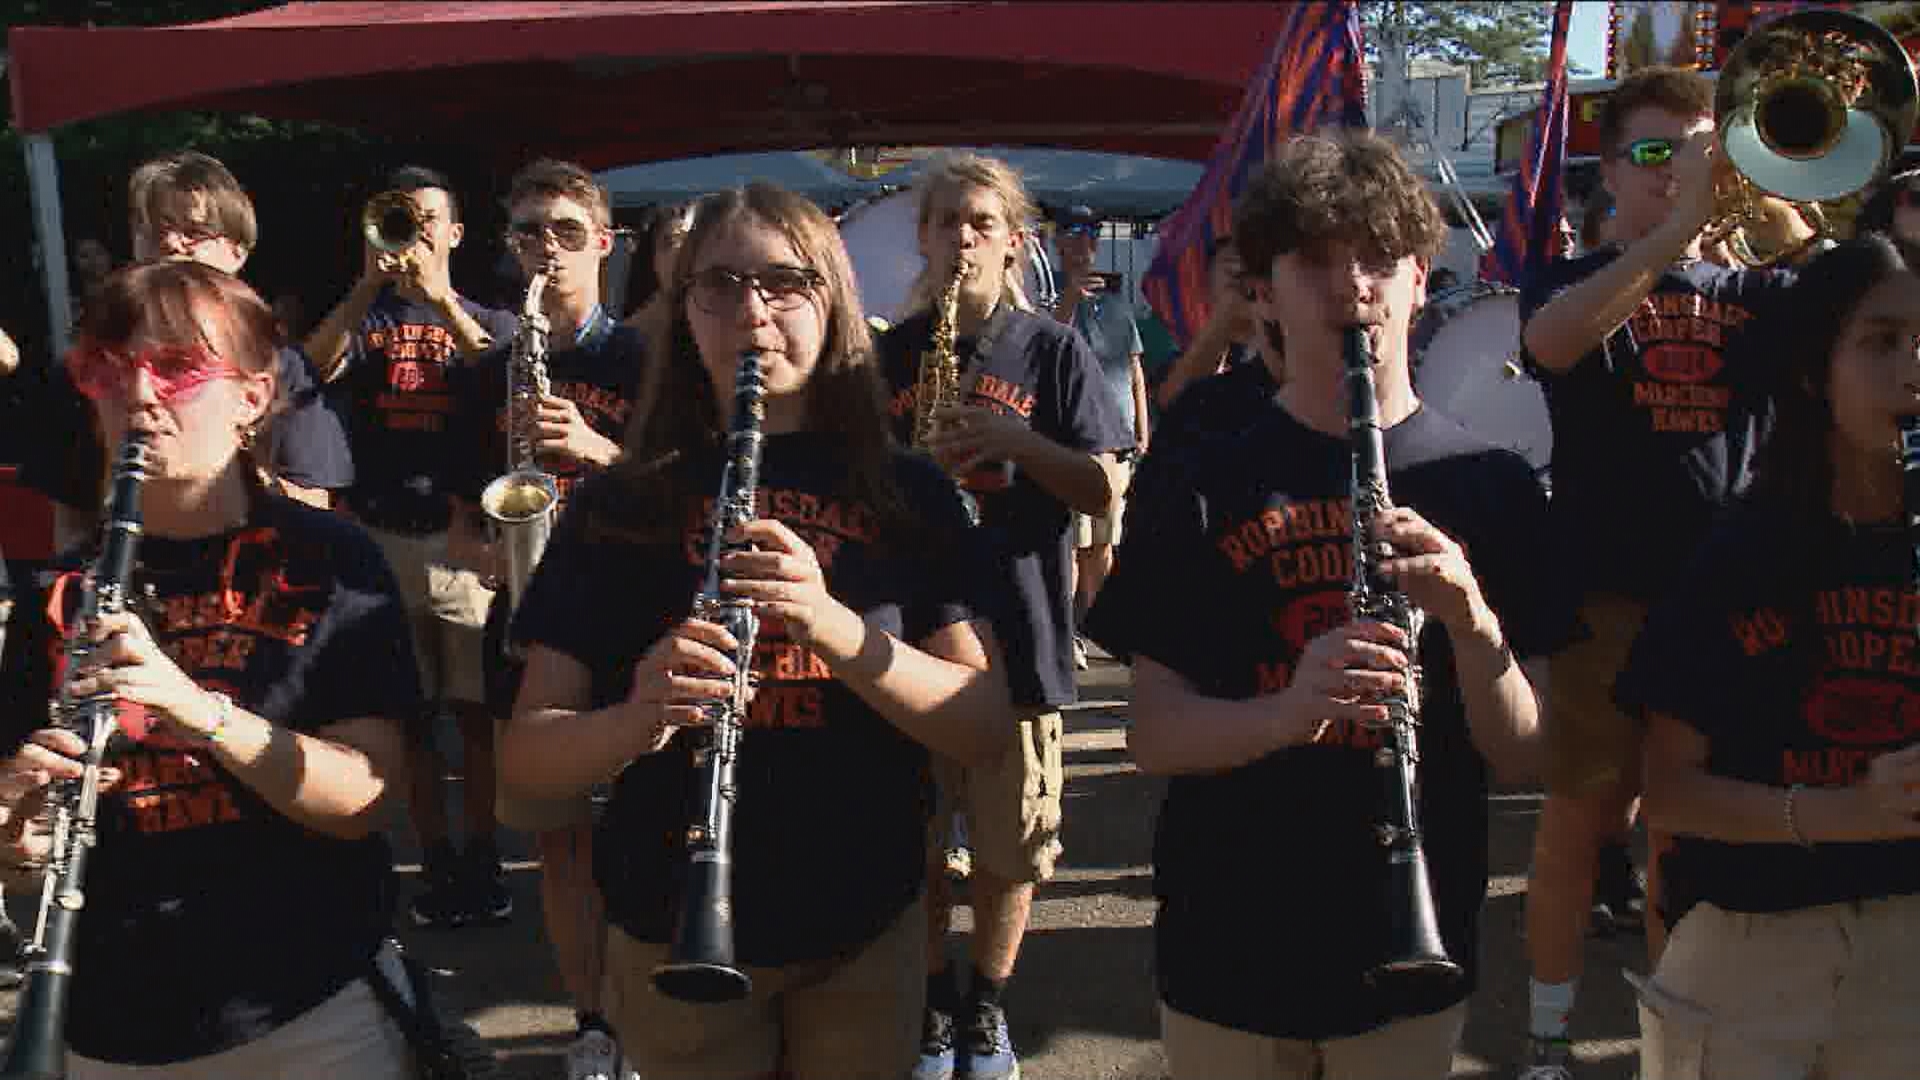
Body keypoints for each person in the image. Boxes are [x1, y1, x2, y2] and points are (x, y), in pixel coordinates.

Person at [498, 181, 1011, 1080]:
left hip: (863, 914)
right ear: (682, 308)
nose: (752, 312)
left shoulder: (909, 492)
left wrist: (830, 627)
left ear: (835, 300)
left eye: (784, 283)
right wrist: (639, 717)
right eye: (720, 285)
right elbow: (529, 755)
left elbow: (981, 721)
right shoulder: (622, 499)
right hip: (667, 919)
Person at [1084, 129, 1555, 1080]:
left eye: (1380, 260)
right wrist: (1291, 713)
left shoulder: (1491, 482)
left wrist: (1470, 621)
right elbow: (1154, 735)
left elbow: (1528, 753)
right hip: (1229, 941)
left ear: (1424, 279)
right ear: (1261, 292)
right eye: (1315, 262)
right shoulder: (1205, 477)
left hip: (1415, 936)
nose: (1353, 289)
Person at [0, 260, 421, 1078]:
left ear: (253, 398)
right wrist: (13, 827)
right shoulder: (61, 591)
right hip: (107, 1022)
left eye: (179, 368)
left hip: (305, 1009)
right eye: (108, 370)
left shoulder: (329, 559)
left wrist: (200, 712)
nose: (141, 397)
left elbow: (366, 797)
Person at [1514, 65, 1796, 1079]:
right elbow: (1551, 343)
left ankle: (1671, 1047)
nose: (1676, 168)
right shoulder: (1569, 279)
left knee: (1683, 840)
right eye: (1651, 152)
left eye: (1698, 149)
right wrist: (1680, 230)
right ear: (1610, 169)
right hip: (1600, 599)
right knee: (1578, 828)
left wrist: (1776, 204)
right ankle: (1547, 1039)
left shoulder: (1758, 292)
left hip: (1721, 606)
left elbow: (1870, 309)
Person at [1617, 233, 1920, 1079]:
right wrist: (1840, 814)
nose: (1912, 370)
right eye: (1881, 341)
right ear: (1812, 366)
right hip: (1754, 949)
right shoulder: (1742, 551)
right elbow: (1667, 790)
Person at [875, 152, 1132, 1080]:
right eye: (947, 222)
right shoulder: (890, 354)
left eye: (982, 223)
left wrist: (1018, 442)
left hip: (1020, 630)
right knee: (913, 844)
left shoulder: (1051, 349)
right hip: (912, 638)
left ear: (1013, 240)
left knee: (1011, 845)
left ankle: (985, 1004)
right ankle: (933, 1005)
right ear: (926, 238)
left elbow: (1105, 481)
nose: (964, 238)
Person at [460, 158, 646, 1080]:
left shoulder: (649, 359)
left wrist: (597, 449)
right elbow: (462, 514)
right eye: (529, 231)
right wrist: (485, 545)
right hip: (528, 619)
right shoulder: (487, 370)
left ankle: (650, 1013)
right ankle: (591, 1024)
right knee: (560, 842)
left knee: (649, 827)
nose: (547, 249)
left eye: (567, 232)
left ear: (605, 243)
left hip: (632, 618)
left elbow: (692, 496)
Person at [304, 165, 519, 931]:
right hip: (383, 536)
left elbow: (505, 382)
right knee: (414, 716)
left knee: (477, 714)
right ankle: (439, 862)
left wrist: (438, 301)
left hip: (462, 534)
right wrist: (368, 286)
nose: (419, 232)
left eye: (431, 218)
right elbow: (310, 366)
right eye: (404, 218)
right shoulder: (366, 317)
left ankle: (487, 853)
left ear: (455, 233)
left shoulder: (492, 318)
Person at [17, 151, 355, 561]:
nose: (170, 244)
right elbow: (70, 515)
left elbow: (313, 500)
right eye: (155, 229)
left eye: (193, 231)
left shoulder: (283, 365)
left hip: (255, 589)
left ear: (237, 252)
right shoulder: (88, 366)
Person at [1049, 204, 1149, 669]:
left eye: (1092, 234)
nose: (1084, 244)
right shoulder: (1047, 297)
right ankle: (1065, 634)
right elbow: (1047, 348)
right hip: (1069, 442)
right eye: (1074, 234)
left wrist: (1143, 430)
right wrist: (1068, 298)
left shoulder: (1116, 305)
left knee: (1103, 545)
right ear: (1058, 243)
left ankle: (1097, 630)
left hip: (1117, 444)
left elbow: (1134, 369)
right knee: (1069, 545)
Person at [1153, 232, 1260, 413]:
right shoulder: (1176, 360)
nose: (1246, 280)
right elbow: (1170, 400)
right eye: (1234, 270)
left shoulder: (1286, 353)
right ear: (1205, 288)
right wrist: (1224, 319)